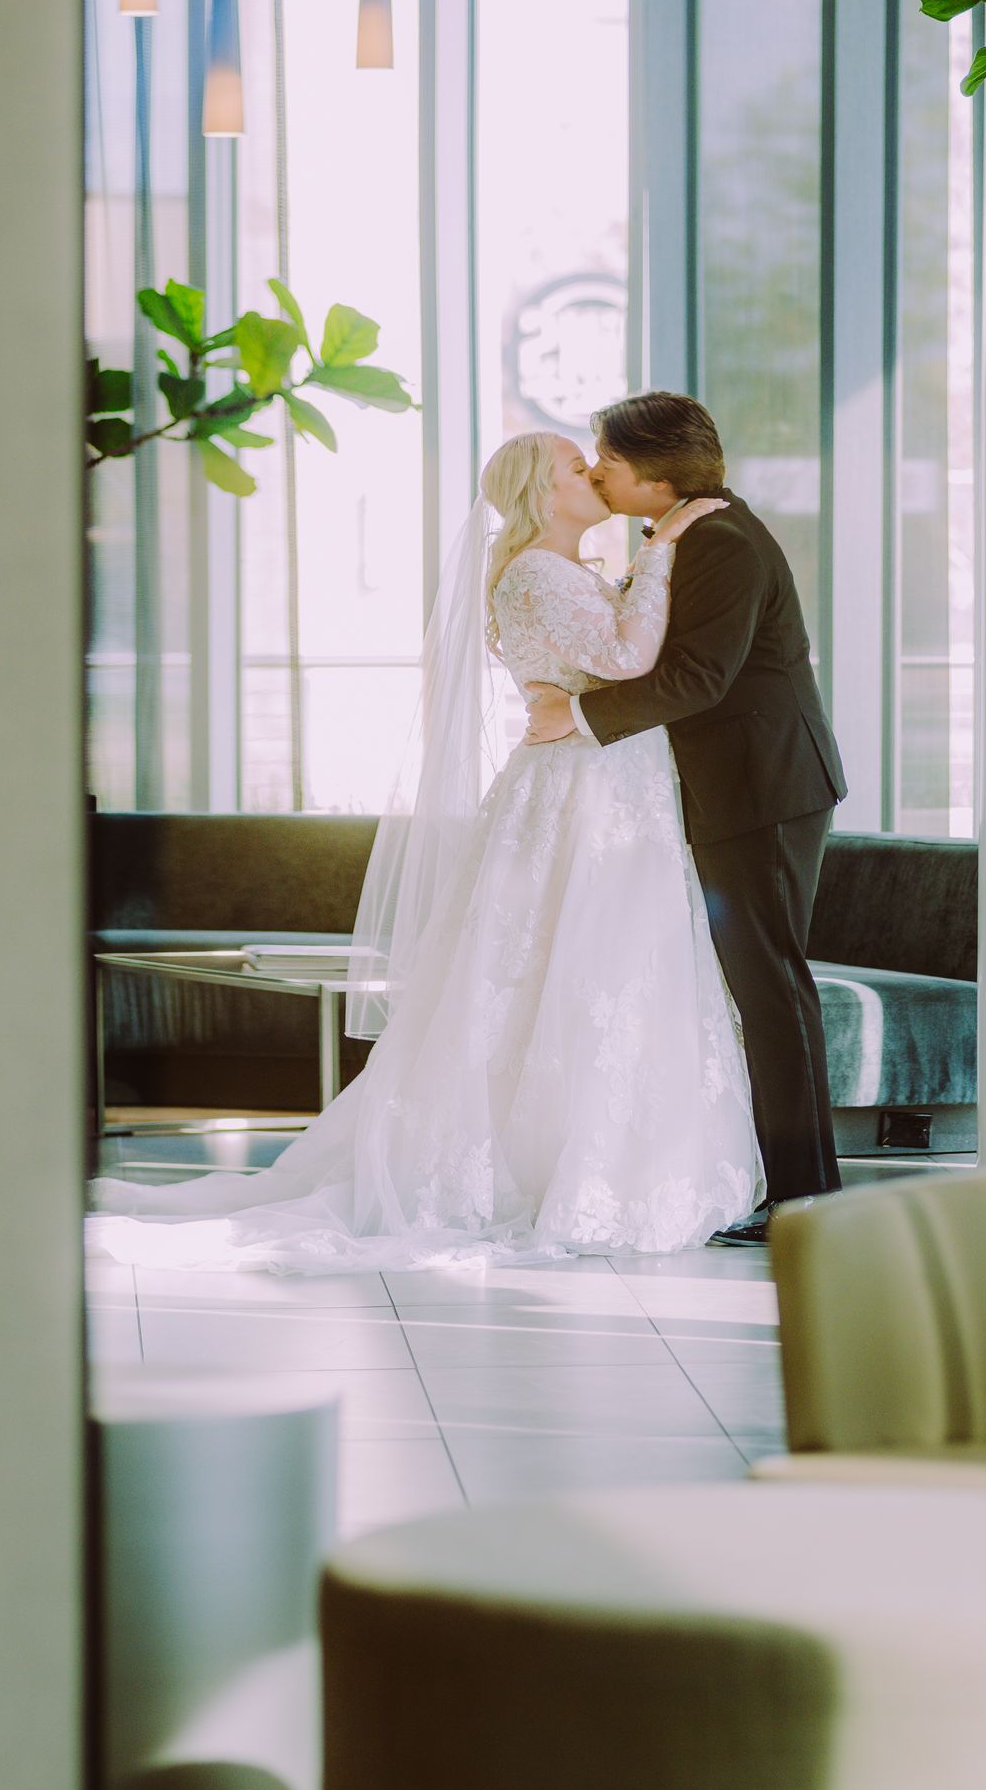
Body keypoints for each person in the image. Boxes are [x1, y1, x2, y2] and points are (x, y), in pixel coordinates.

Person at [88, 428, 762, 1272]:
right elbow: (627, 654)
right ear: (538, 492)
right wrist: (662, 549)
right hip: (578, 793)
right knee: (563, 967)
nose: (590, 472)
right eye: (571, 466)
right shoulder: (538, 572)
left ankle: (599, 1158)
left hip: (607, 786)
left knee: (601, 969)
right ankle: (549, 1169)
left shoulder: (559, 572)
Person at [522, 391, 845, 1239]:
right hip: (734, 787)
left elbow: (700, 676)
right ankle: (785, 1188)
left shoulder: (724, 542)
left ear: (658, 478)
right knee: (754, 986)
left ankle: (808, 1200)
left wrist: (579, 720)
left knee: (772, 987)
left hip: (764, 789)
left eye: (610, 462)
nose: (596, 470)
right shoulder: (692, 533)